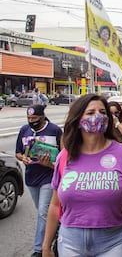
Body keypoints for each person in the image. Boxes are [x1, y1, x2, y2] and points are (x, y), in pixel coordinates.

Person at [42, 94, 122, 257]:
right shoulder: (65, 156)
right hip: (70, 242)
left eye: (102, 112)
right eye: (90, 112)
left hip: (114, 242)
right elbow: (55, 206)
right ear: (78, 120)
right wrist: (46, 246)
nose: (98, 116)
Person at [15, 105, 62, 257]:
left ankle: (39, 249)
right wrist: (23, 158)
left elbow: (63, 156)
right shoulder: (24, 130)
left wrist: (50, 163)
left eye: (34, 118)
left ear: (42, 117)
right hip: (31, 177)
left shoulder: (54, 130)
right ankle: (56, 227)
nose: (31, 121)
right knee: (44, 212)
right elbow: (18, 152)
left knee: (43, 211)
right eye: (29, 118)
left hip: (48, 177)